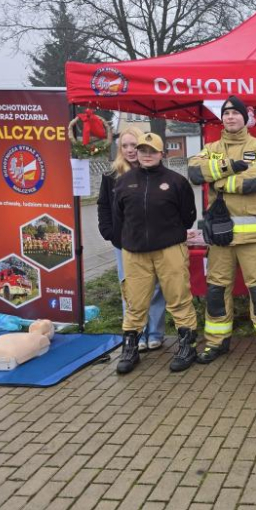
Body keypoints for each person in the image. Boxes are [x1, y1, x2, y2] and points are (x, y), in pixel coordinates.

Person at [187, 96, 256, 366]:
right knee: (216, 290)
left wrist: (216, 182)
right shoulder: (212, 147)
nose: (230, 117)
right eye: (226, 113)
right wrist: (228, 167)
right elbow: (194, 172)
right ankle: (217, 342)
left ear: (245, 117)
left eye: (235, 113)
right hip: (220, 237)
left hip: (253, 237)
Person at [113, 132, 199, 374]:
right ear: (136, 154)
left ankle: (187, 345)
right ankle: (130, 348)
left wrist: (171, 234)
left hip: (169, 248)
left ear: (162, 154)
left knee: (178, 297)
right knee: (135, 302)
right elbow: (119, 217)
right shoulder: (124, 182)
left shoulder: (176, 181)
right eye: (142, 151)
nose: (146, 155)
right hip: (135, 252)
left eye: (152, 151)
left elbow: (188, 216)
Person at [98, 125, 167, 352]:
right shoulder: (111, 176)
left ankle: (154, 333)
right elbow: (103, 206)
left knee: (155, 287)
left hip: (153, 240)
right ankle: (135, 334)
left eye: (133, 145)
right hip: (124, 242)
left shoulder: (154, 171)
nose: (129, 150)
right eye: (124, 146)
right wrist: (109, 232)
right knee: (130, 288)